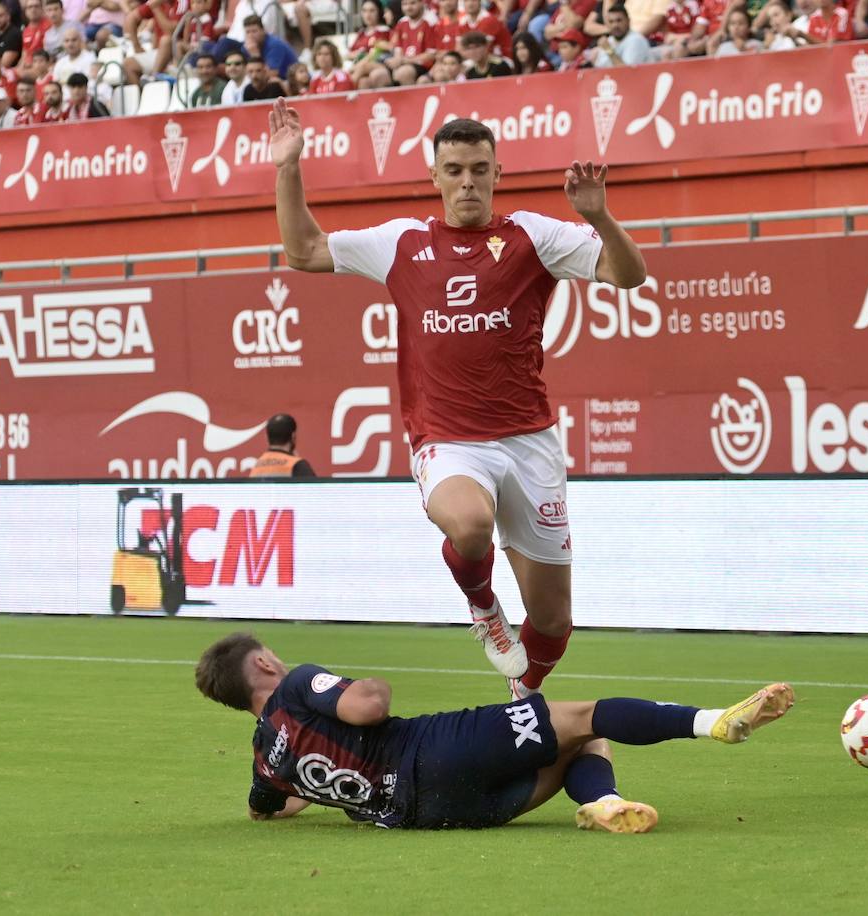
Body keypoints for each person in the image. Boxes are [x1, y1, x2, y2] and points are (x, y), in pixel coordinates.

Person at [269, 99, 647, 697]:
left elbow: (628, 275)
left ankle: (521, 701)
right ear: (435, 176)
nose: (467, 181)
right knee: (470, 526)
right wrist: (288, 167)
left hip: (530, 442)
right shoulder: (402, 242)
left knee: (552, 621)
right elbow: (304, 252)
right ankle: (484, 607)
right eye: (454, 169)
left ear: (497, 174)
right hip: (447, 440)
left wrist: (600, 219)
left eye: (478, 168)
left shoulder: (534, 236)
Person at [194, 632, 795, 831]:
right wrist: (369, 684)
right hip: (431, 750)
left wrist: (323, 789)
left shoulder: (264, 763)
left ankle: (605, 804)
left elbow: (266, 811)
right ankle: (712, 721)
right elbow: (367, 708)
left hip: (430, 816)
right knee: (584, 718)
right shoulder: (298, 683)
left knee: (579, 744)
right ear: (266, 665)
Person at [248, 413, 316, 477]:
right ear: (293, 436)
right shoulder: (296, 465)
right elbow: (314, 488)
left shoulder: (257, 466)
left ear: (266, 437)